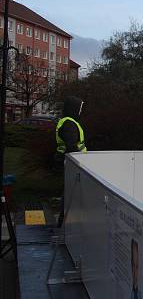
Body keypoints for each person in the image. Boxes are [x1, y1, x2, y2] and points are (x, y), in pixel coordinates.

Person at [55, 96, 88, 227]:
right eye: (79, 109)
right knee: (69, 194)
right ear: (73, 109)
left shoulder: (67, 121)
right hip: (73, 164)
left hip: (71, 163)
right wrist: (78, 163)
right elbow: (72, 147)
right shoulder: (69, 123)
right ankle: (64, 225)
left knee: (68, 193)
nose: (80, 112)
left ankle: (64, 224)